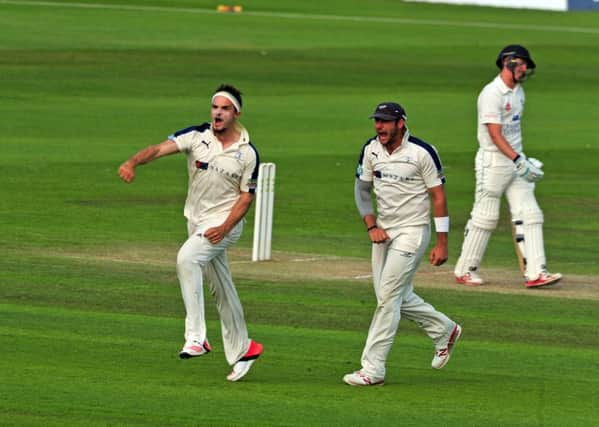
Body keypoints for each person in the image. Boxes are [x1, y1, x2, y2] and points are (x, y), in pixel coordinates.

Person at [118, 84, 263, 382]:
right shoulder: (197, 136)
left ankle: (197, 337)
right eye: (215, 107)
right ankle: (244, 348)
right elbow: (158, 149)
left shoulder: (247, 153)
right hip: (197, 222)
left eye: (225, 108)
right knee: (220, 286)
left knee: (186, 259)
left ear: (236, 113)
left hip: (225, 224)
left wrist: (224, 228)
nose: (218, 113)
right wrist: (133, 161)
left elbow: (246, 197)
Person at [343, 102, 462, 386]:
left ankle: (373, 369)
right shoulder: (371, 150)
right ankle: (444, 330)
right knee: (393, 296)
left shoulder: (422, 152)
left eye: (385, 121)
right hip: (384, 231)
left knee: (387, 298)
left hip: (412, 232)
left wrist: (442, 243)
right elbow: (361, 190)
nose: (379, 127)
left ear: (401, 123)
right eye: (377, 121)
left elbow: (439, 197)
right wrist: (371, 225)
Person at [453, 45, 562, 288]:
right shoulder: (491, 94)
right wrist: (517, 159)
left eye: (526, 65)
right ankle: (465, 270)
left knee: (531, 214)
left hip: (515, 161)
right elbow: (495, 134)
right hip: (493, 161)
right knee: (486, 217)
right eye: (521, 64)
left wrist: (521, 159)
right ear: (508, 62)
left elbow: (513, 132)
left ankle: (536, 273)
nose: (524, 69)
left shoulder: (518, 92)